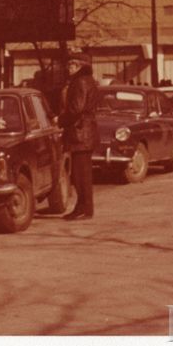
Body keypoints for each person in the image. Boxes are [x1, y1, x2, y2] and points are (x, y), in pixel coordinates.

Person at [59, 49, 99, 219]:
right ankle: (84, 207)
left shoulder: (80, 82)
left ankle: (84, 208)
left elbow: (76, 108)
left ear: (79, 66)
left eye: (72, 64)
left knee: (80, 174)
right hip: (84, 132)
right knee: (82, 174)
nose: (69, 68)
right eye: (68, 64)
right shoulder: (87, 80)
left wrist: (60, 120)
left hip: (80, 132)